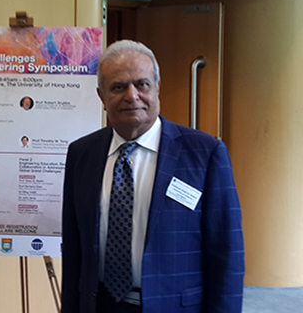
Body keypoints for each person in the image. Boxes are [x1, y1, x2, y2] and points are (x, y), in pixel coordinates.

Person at [61, 40, 244, 313]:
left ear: (157, 88)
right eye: (118, 87)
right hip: (99, 304)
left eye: (142, 84)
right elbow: (73, 248)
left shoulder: (205, 154)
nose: (132, 96)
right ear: (101, 96)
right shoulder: (81, 154)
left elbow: (226, 252)